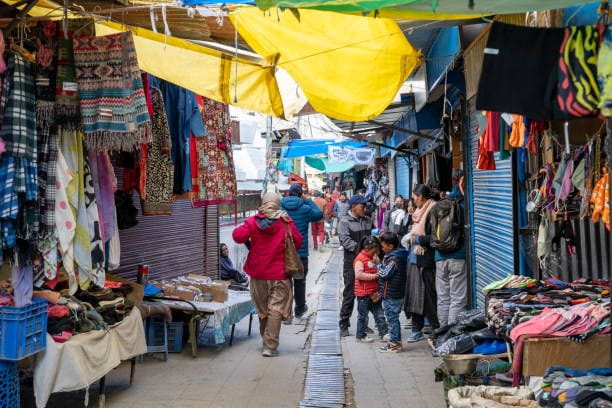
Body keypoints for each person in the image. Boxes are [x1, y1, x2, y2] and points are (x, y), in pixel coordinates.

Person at [232, 193, 303, 357]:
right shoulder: (285, 221)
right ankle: (269, 346)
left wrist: (249, 229)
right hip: (279, 273)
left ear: (263, 203)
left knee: (264, 309)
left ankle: (267, 341)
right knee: (275, 308)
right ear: (278, 204)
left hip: (258, 274)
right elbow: (298, 241)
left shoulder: (252, 221)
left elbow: (237, 236)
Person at [402, 184, 440, 343]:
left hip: (426, 260)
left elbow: (435, 238)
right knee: (414, 295)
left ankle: (437, 329)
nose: (413, 200)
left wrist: (416, 239)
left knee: (429, 296)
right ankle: (416, 329)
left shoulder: (433, 211)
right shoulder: (418, 213)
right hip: (414, 259)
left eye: (415, 197)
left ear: (422, 197)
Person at [280, 184, 323, 318]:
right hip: (301, 253)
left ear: (288, 193)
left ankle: (285, 311)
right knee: (300, 281)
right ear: (300, 194)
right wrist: (308, 200)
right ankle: (299, 309)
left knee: (285, 282)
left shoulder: (280, 208)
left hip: (284, 252)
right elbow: (319, 214)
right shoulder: (305, 209)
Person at [434, 170, 467, 327]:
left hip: (440, 257)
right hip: (458, 257)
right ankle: (451, 333)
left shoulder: (439, 207)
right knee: (457, 297)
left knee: (443, 297)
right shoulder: (464, 205)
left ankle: (442, 330)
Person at [338, 194, 374, 337]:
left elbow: (372, 237)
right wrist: (362, 250)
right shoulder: (344, 222)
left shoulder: (367, 221)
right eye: (362, 206)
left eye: (365, 206)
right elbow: (345, 240)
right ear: (353, 207)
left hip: (367, 262)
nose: (364, 208)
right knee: (350, 292)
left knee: (366, 292)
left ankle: (363, 324)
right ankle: (344, 323)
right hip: (351, 262)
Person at [376, 232, 408, 353]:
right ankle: (395, 342)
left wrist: (378, 263)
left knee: (392, 319)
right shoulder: (396, 255)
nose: (382, 248)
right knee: (393, 319)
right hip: (394, 293)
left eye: (383, 246)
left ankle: (395, 344)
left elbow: (385, 274)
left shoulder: (395, 258)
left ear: (390, 246)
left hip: (392, 295)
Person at [354, 236, 388, 343]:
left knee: (380, 314)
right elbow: (358, 275)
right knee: (363, 316)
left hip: (374, 293)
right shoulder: (360, 259)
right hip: (363, 294)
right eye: (375, 251)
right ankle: (361, 335)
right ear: (367, 248)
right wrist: (374, 276)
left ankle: (384, 333)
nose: (376, 253)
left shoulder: (372, 259)